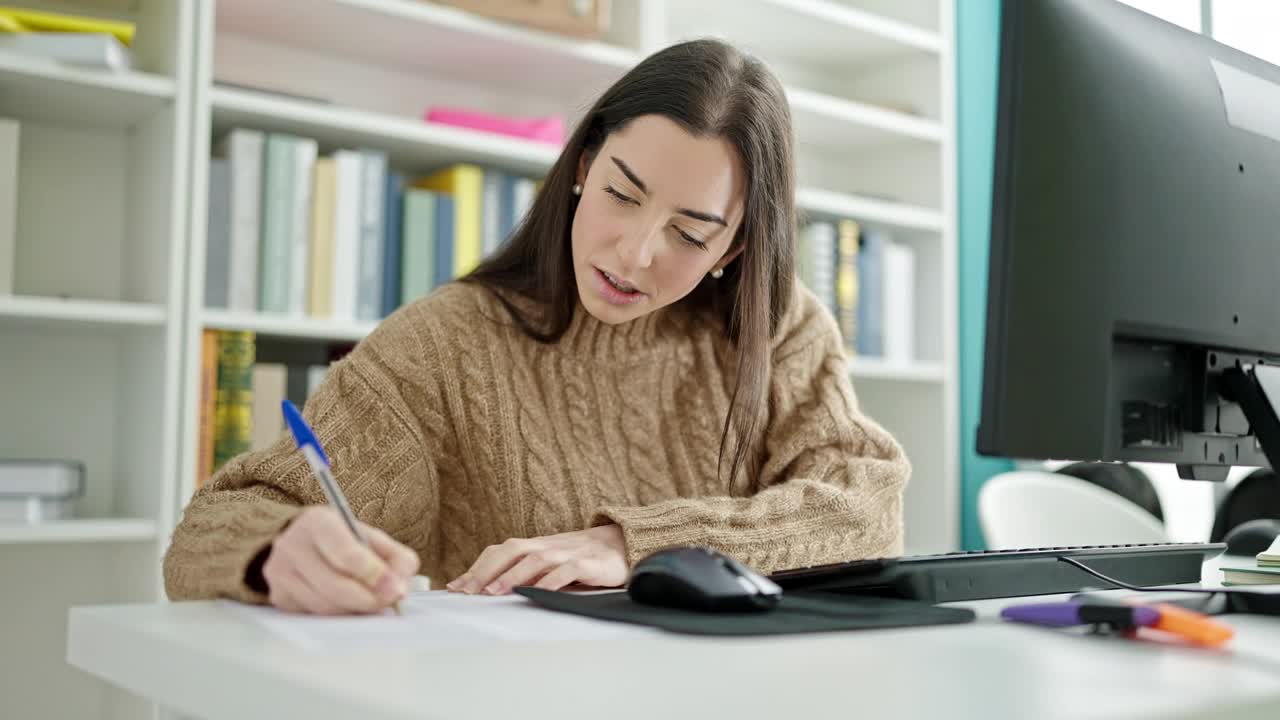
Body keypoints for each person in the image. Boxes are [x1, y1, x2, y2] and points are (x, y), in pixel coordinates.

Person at [163, 38, 911, 615]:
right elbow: (209, 530)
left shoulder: (776, 329)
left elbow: (869, 508)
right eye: (623, 193)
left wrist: (634, 545)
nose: (636, 252)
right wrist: (279, 549)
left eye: (690, 234)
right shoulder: (446, 345)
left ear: (736, 247)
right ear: (584, 165)